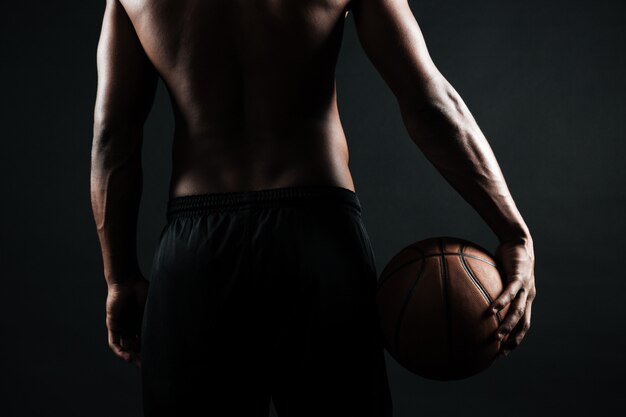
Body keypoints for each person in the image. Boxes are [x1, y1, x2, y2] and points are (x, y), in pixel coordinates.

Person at [90, 0, 536, 416]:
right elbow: (429, 104)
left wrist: (120, 278)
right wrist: (512, 231)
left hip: (195, 254)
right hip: (318, 241)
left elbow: (113, 136)